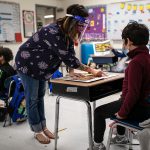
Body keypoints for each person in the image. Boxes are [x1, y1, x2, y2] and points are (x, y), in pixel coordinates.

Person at [15, 4, 103, 144]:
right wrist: (92, 70)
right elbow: (67, 57)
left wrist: (72, 72)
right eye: (81, 24)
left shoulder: (66, 31)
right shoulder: (53, 32)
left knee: (40, 97)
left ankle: (43, 127)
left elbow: (70, 52)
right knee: (32, 99)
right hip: (27, 65)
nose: (82, 27)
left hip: (41, 67)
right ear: (73, 21)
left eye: (84, 24)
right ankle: (37, 130)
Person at [92, 21, 150, 150]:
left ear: (128, 41)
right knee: (120, 101)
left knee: (98, 112)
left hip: (139, 108)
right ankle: (120, 137)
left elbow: (133, 94)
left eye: (123, 41)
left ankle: (97, 145)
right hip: (146, 106)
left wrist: (122, 114)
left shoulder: (136, 62)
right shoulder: (146, 57)